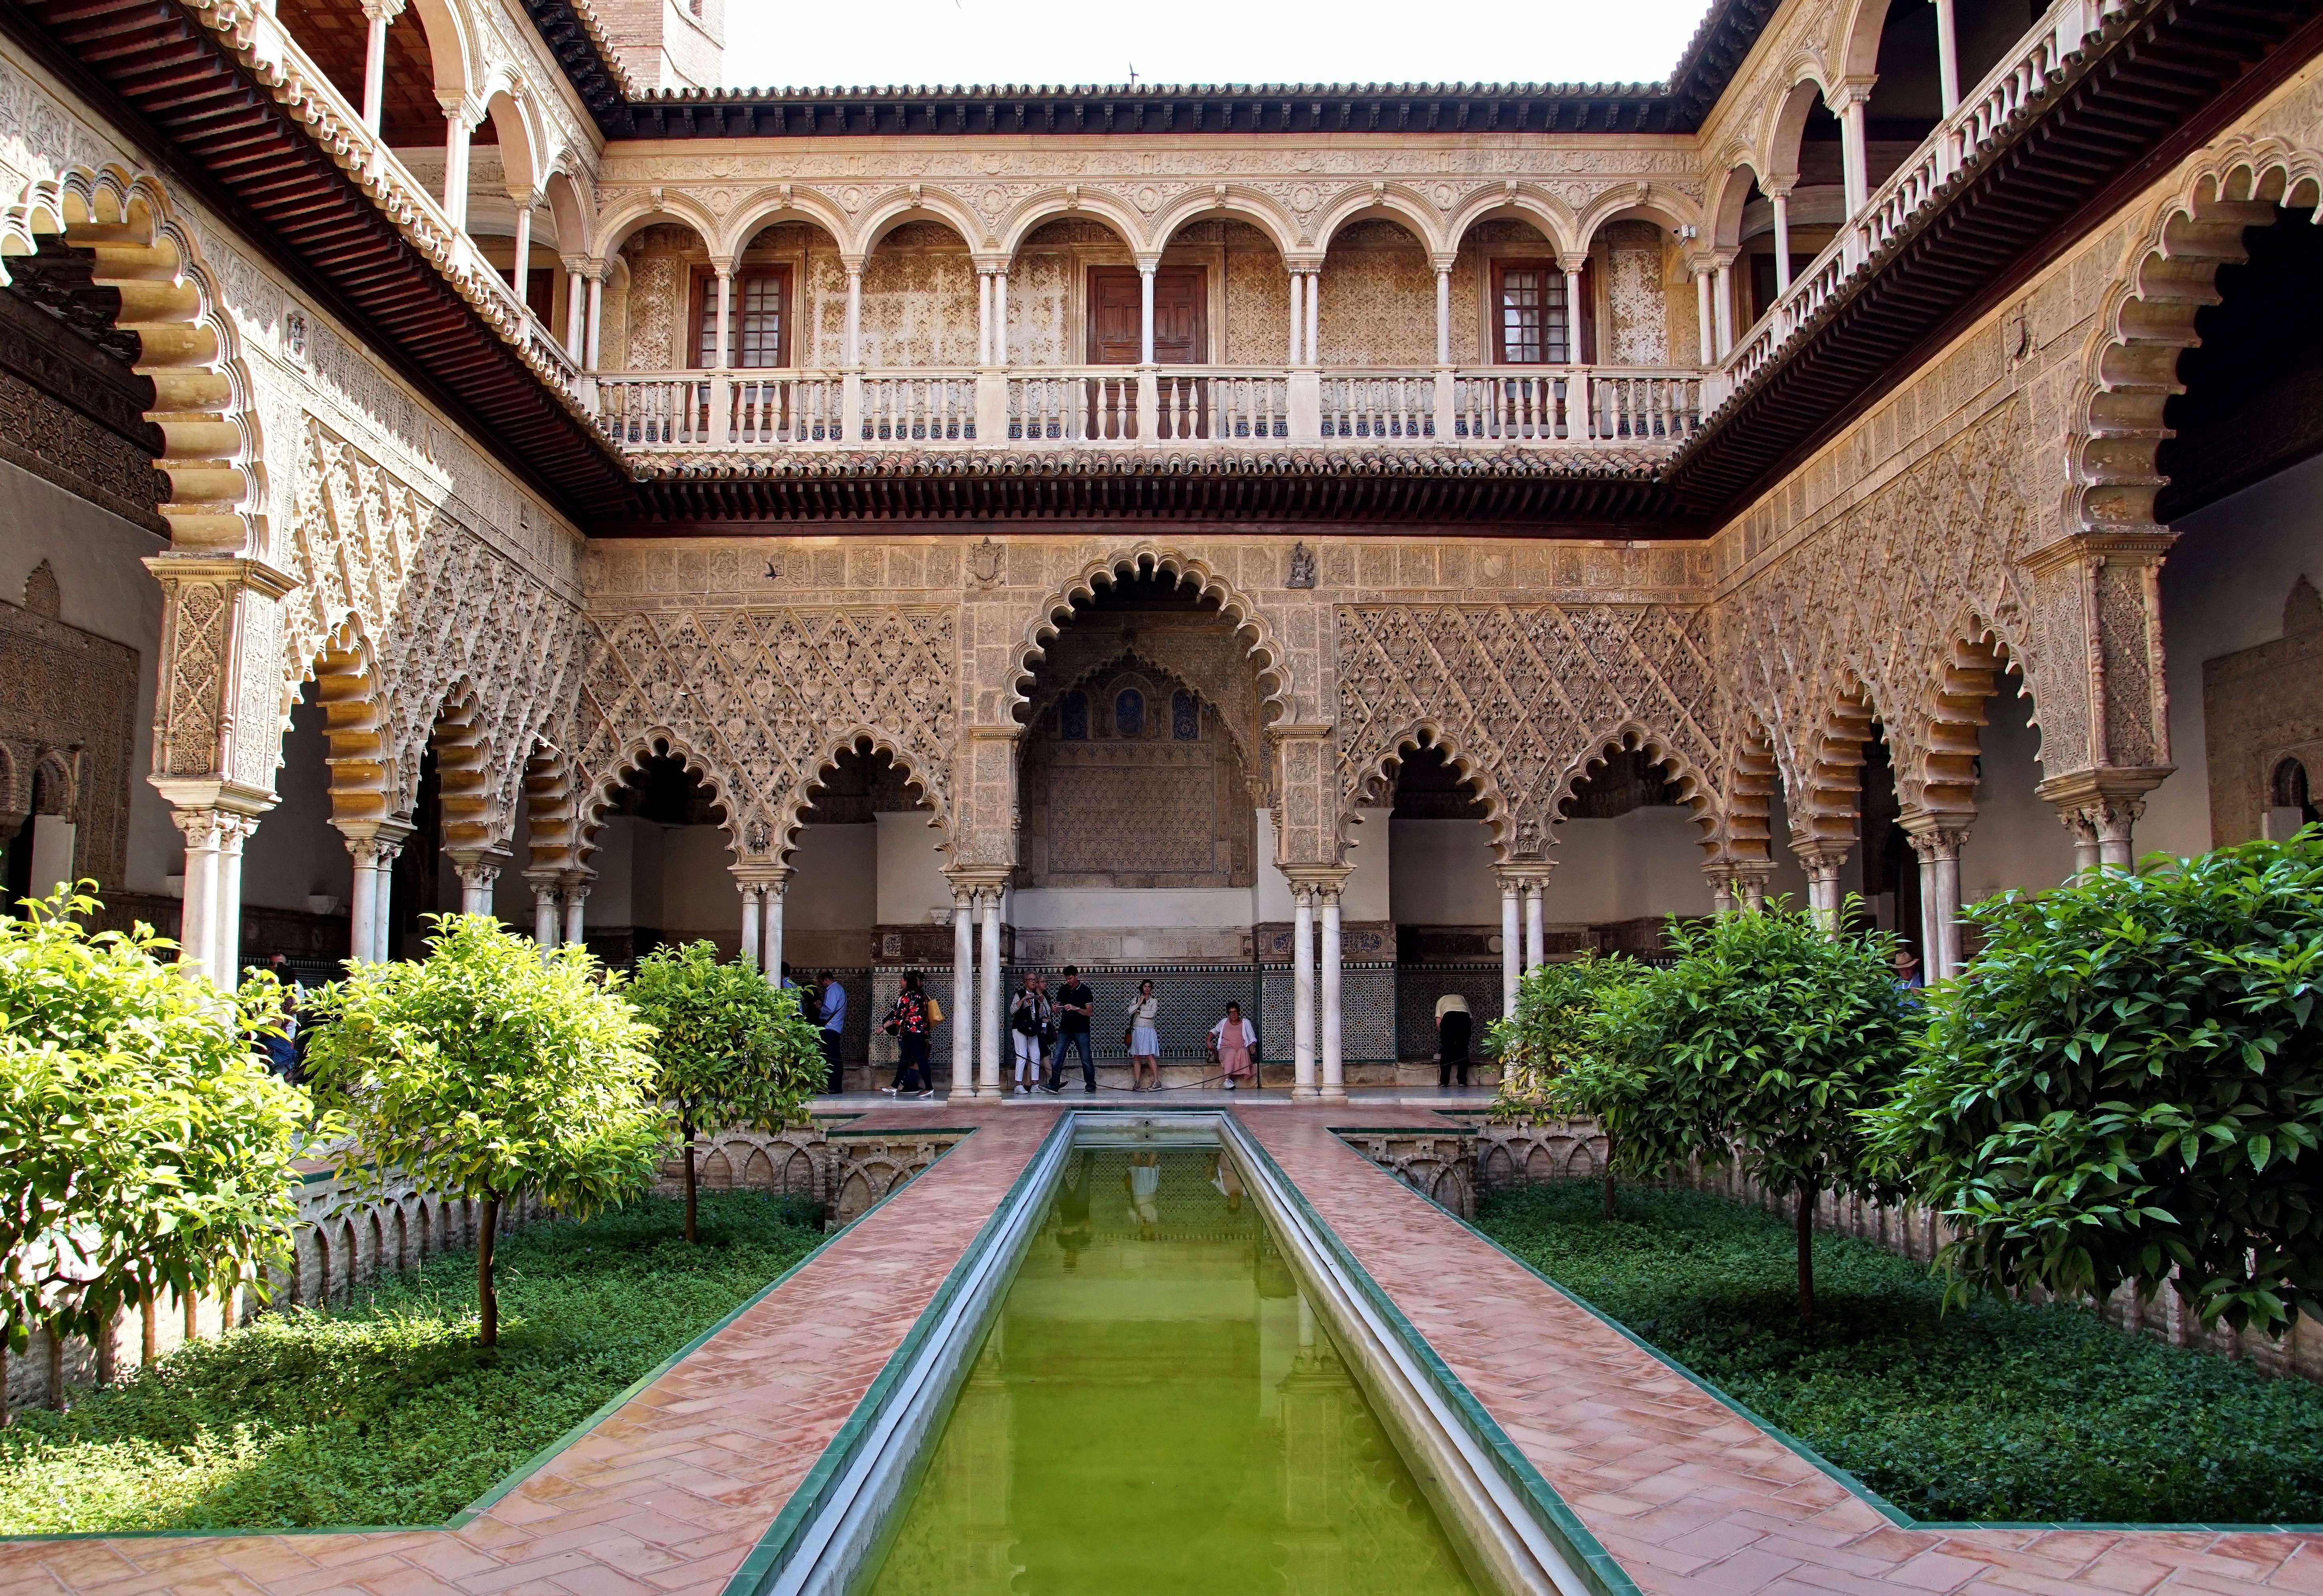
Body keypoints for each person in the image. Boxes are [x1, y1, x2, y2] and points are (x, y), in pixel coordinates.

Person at [880, 972, 934, 1099]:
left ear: (906, 981)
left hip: (911, 1032)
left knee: (920, 1060)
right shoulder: (921, 995)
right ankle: (894, 1086)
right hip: (920, 1032)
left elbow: (898, 1017)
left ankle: (929, 1087)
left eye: (902, 980)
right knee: (905, 1060)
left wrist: (883, 1027)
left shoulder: (907, 996)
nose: (901, 982)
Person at [1045, 965, 1095, 1094]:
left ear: (1077, 976)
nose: (1068, 981)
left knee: (1086, 1058)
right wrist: (1055, 1009)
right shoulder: (1063, 989)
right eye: (1067, 979)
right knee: (1058, 1056)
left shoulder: (1085, 991)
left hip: (1081, 1030)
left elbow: (1090, 1012)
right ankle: (1054, 1084)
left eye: (1070, 978)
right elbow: (1057, 1009)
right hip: (1065, 1029)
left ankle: (1091, 1085)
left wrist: (1076, 1008)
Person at [1009, 970, 1053, 1095]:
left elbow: (1038, 1015)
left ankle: (1035, 1084)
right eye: (1031, 979)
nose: (1034, 981)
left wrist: (1040, 1004)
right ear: (1025, 982)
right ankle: (1018, 1085)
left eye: (1035, 979)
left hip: (1033, 1030)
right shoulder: (1020, 994)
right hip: (1020, 1029)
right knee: (1022, 1056)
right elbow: (1013, 1011)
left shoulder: (1037, 996)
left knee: (1036, 1056)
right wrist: (1024, 999)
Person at [261, 952, 301, 1080]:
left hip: (279, 1035)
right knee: (285, 1071)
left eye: (279, 965)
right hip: (277, 1036)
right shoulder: (264, 985)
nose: (275, 967)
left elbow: (276, 1024)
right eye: (272, 963)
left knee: (272, 1070)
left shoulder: (294, 988)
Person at [1208, 1001, 1257, 1090]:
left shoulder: (1246, 1023)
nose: (1234, 1014)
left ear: (1239, 1012)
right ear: (1228, 1014)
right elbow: (1214, 1031)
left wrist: (1253, 1045)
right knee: (1231, 1052)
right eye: (1231, 1013)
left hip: (1240, 1050)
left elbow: (1252, 1038)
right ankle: (1226, 1080)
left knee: (1243, 1051)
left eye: (1235, 1012)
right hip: (1225, 1050)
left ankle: (1232, 1079)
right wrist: (1208, 1041)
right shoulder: (1224, 1022)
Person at [1126, 978, 1162, 1092]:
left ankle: (1157, 1081)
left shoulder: (1154, 1001)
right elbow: (1130, 1011)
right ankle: (1137, 1082)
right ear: (1142, 987)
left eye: (1149, 987)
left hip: (1148, 1030)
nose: (1147, 988)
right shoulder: (1136, 1000)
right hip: (1137, 1030)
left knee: (1149, 1055)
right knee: (1136, 1056)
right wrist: (1139, 1003)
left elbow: (1152, 1014)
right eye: (1145, 986)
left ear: (1151, 989)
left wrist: (1140, 1012)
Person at [1435, 990, 1473, 1088]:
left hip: (1449, 1018)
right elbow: (1470, 1018)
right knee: (1463, 1049)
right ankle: (1462, 1081)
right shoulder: (1461, 998)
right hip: (1464, 1019)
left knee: (1447, 1050)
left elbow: (1439, 1021)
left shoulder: (1441, 1000)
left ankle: (1444, 1081)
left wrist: (1444, 1035)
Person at [817, 972, 847, 1094]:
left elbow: (829, 1009)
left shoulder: (833, 990)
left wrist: (820, 1008)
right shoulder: (837, 989)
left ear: (826, 980)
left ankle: (834, 1086)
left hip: (831, 1028)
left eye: (822, 982)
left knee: (832, 1058)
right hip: (835, 1028)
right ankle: (833, 1085)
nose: (821, 984)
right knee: (833, 1057)